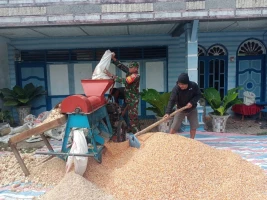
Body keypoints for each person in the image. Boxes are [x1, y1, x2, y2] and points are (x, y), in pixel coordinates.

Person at [104, 53, 140, 133]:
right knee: (127, 115)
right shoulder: (130, 72)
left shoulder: (136, 76)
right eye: (129, 67)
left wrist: (112, 76)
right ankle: (132, 130)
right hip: (128, 99)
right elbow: (122, 67)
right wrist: (114, 59)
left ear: (136, 68)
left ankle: (137, 134)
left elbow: (125, 81)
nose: (129, 69)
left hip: (133, 101)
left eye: (131, 68)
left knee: (133, 118)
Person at [163, 73, 201, 139]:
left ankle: (191, 141)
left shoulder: (193, 86)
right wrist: (167, 113)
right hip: (180, 109)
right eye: (179, 84)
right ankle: (169, 140)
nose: (181, 86)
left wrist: (192, 102)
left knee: (193, 126)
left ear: (187, 83)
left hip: (192, 109)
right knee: (174, 126)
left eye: (183, 84)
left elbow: (198, 95)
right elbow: (172, 100)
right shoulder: (176, 89)